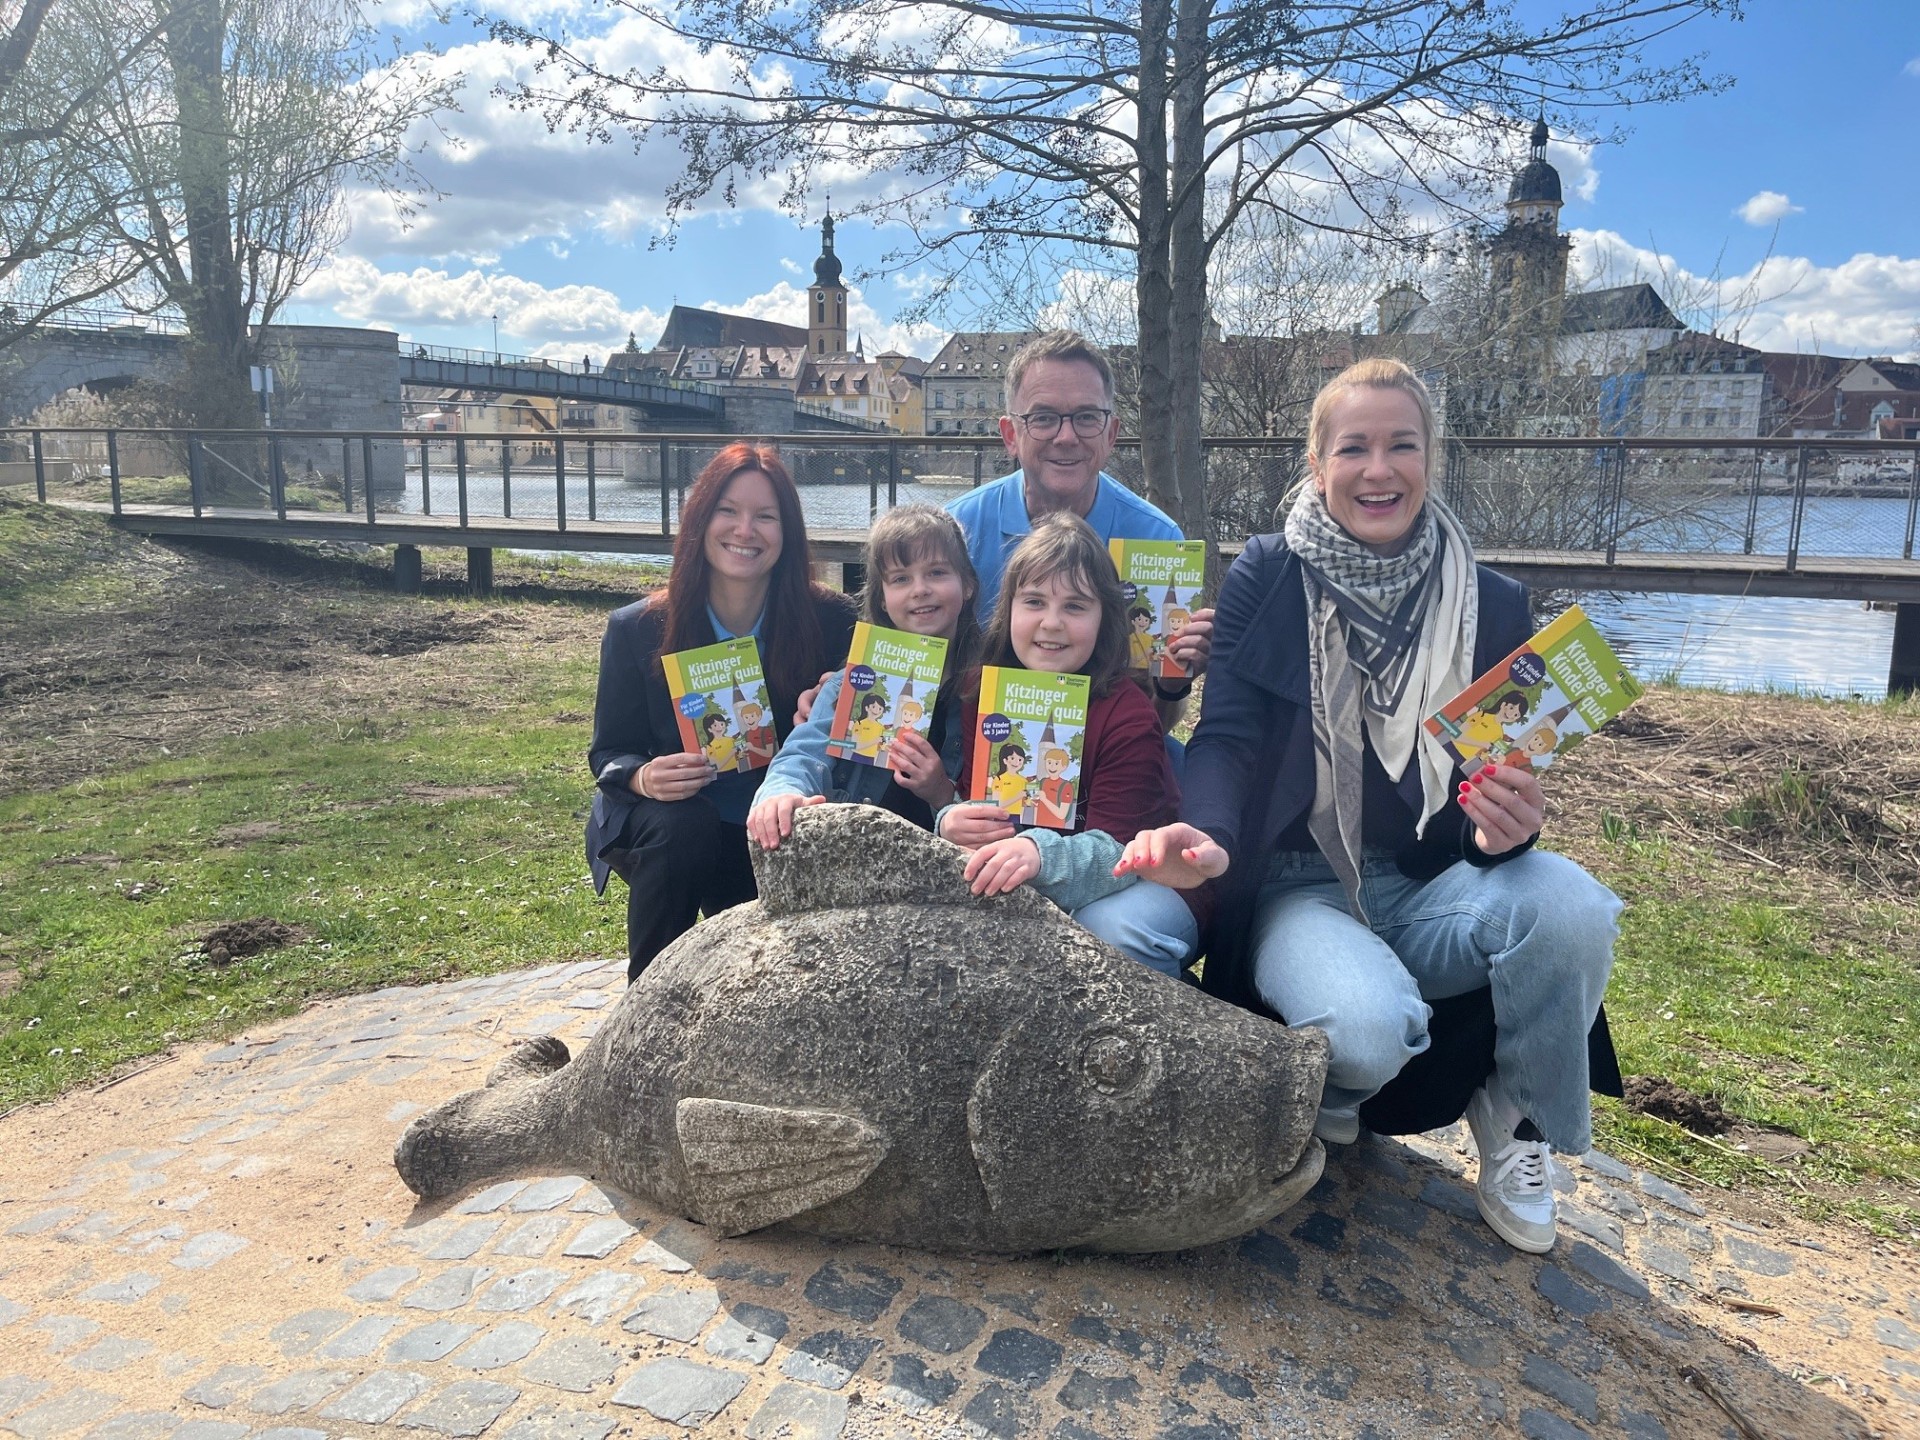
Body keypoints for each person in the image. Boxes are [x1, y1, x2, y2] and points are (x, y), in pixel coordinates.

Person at [1116, 358, 1621, 1254]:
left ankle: (1518, 1118)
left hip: (1432, 885)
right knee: (1365, 1032)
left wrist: (1509, 827)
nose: (1378, 469)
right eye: (1354, 447)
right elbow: (1226, 736)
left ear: (1433, 460)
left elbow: (1488, 780)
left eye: (1402, 445)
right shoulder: (1267, 575)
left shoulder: (1494, 602)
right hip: (1299, 888)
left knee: (1573, 906)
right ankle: (1342, 1093)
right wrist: (1211, 833)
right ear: (1318, 466)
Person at [586, 442, 856, 980]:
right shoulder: (636, 628)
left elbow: (859, 726)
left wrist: (831, 696)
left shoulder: (832, 621)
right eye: (727, 511)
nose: (744, 530)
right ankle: (647, 1006)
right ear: (699, 520)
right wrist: (643, 777)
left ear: (789, 531)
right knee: (679, 824)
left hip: (771, 815)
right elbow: (608, 752)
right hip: (678, 818)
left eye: (765, 516)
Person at [938, 513, 1193, 977]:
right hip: (1026, 875)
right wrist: (950, 819)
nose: (1051, 623)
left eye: (1075, 606)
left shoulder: (1128, 713)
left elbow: (1123, 849)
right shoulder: (983, 696)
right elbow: (970, 800)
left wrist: (1037, 854)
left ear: (1104, 619)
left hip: (1146, 880)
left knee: (1103, 930)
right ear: (1008, 610)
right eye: (1034, 601)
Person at [944, 331, 1213, 726]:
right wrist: (835, 692)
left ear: (1111, 434)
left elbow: (1160, 721)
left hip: (1110, 756)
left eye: (1087, 417)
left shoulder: (1157, 541)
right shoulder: (955, 533)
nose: (1066, 437)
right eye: (1044, 418)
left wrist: (1176, 677)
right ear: (1010, 435)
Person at [747, 506, 982, 847]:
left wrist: (942, 793)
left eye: (936, 572)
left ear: (969, 585)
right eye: (901, 578)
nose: (920, 589)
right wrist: (782, 793)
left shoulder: (989, 694)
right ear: (883, 600)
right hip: (857, 861)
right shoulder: (849, 684)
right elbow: (803, 753)